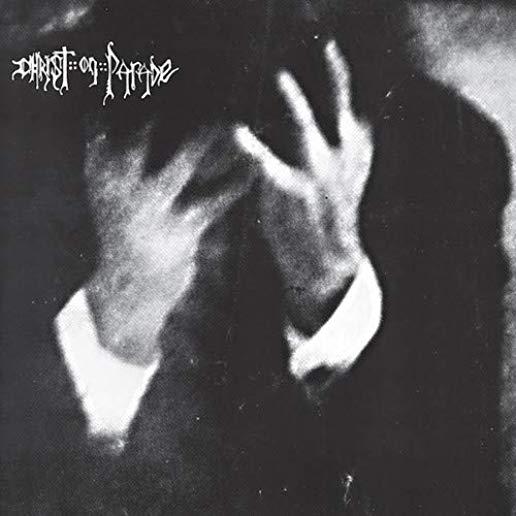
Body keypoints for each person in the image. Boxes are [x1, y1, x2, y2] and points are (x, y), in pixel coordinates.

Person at [1, 1, 511, 514]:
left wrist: (334, 296)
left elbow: (452, 495)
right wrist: (113, 324)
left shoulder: (443, 152)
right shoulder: (22, 116)